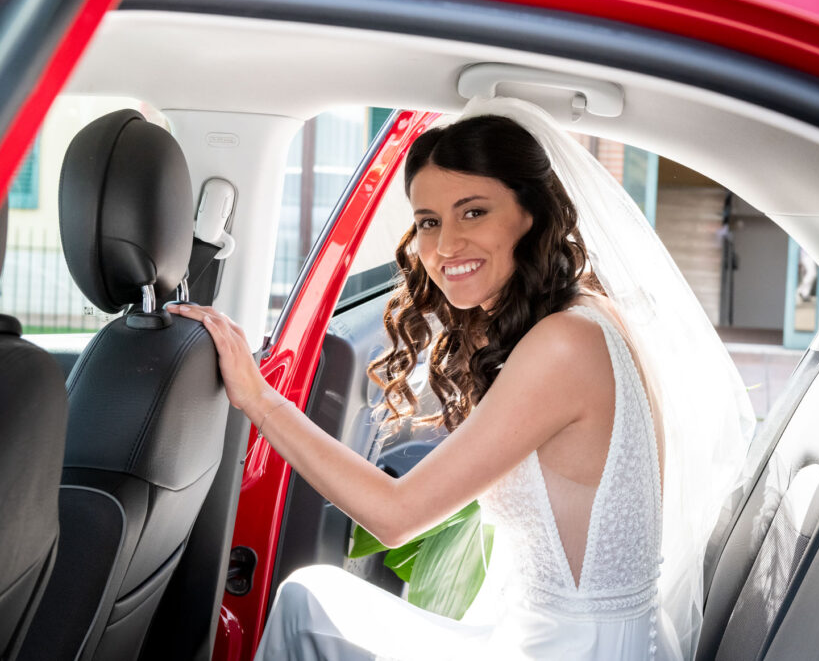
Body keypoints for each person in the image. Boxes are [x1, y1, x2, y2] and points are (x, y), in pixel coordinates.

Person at [168, 98, 755, 660]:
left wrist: (259, 399)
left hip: (570, 651)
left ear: (532, 214)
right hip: (548, 639)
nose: (446, 244)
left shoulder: (564, 345)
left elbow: (396, 517)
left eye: (474, 211)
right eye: (428, 221)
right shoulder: (579, 317)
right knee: (313, 599)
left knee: (305, 604)